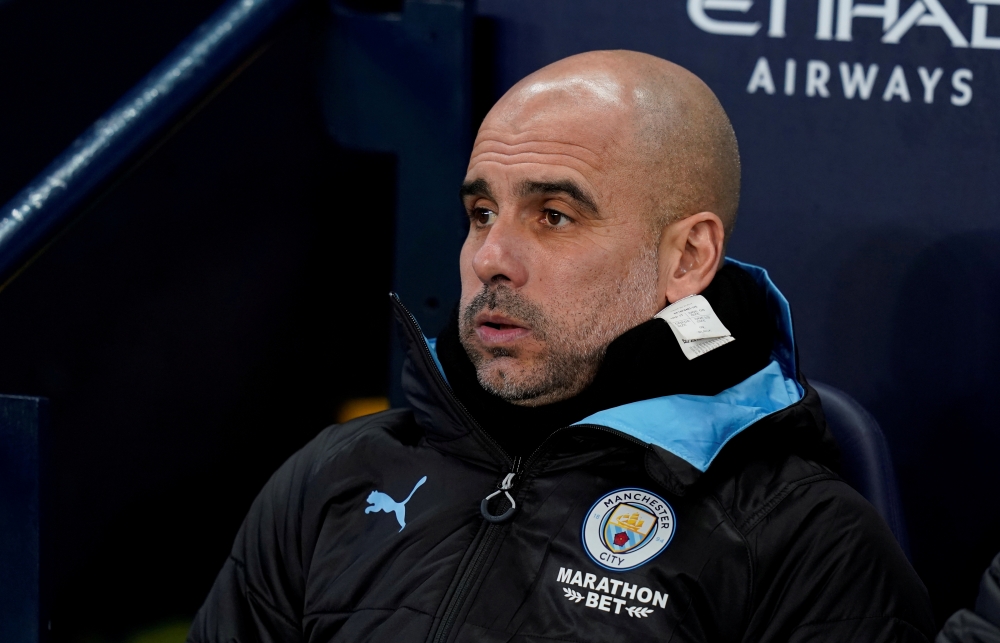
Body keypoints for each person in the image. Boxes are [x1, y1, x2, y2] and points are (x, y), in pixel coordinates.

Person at [189, 50, 934, 642]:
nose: (491, 257)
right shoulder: (334, 476)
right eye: (482, 212)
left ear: (686, 259)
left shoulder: (802, 542)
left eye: (553, 215)